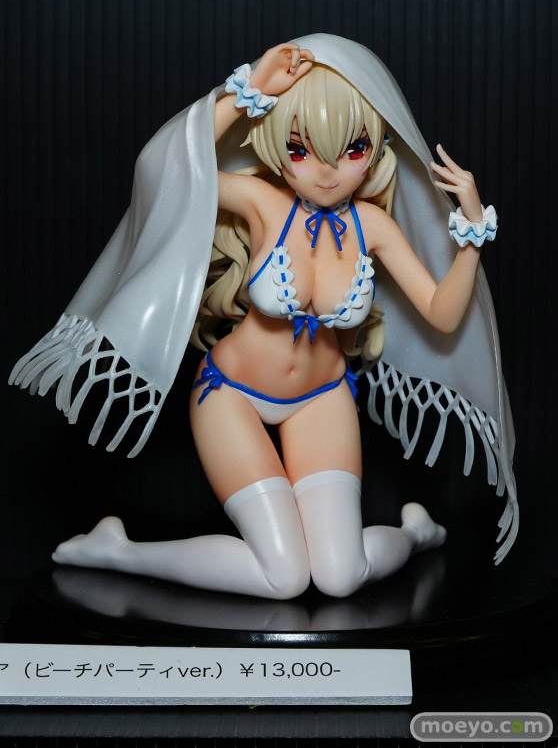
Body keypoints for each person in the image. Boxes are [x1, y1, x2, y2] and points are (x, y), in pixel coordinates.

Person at [10, 35, 517, 599]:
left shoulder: (373, 227)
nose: (327, 171)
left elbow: (443, 315)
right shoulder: (262, 202)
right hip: (230, 395)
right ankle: (119, 552)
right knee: (285, 578)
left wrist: (472, 233)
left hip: (323, 397)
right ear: (277, 146)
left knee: (340, 577)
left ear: (375, 150)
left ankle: (414, 535)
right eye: (301, 149)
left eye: (352, 148)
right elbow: (171, 173)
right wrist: (248, 90)